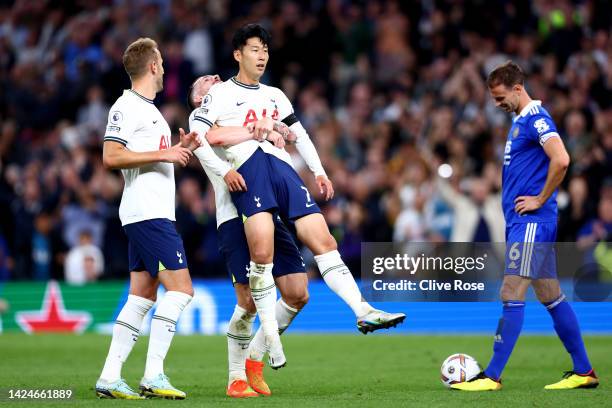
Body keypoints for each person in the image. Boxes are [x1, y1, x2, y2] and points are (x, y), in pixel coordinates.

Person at [189, 23, 405, 389]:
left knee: (298, 290)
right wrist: (253, 137)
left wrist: (317, 170)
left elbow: (298, 132)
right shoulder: (212, 106)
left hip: (276, 185)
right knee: (249, 301)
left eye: (265, 50)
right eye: (204, 82)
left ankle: (360, 311)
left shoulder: (272, 95)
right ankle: (236, 375)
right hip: (233, 209)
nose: (211, 79)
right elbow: (208, 138)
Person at [452, 61, 598, 391]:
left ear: (518, 89)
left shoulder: (536, 119)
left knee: (510, 291)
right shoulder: (520, 119)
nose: (496, 104)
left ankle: (491, 376)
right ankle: (584, 371)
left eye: (500, 97)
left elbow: (562, 160)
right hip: (523, 223)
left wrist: (539, 199)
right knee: (551, 295)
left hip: (531, 222)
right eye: (493, 98)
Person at [95, 37, 201, 400]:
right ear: (153, 66)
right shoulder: (127, 106)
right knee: (182, 290)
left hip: (148, 212)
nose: (165, 68)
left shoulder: (151, 111)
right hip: (148, 213)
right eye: (161, 62)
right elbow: (111, 156)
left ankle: (109, 377)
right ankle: (154, 374)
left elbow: (155, 157)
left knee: (141, 296)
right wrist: (165, 153)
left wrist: (178, 150)